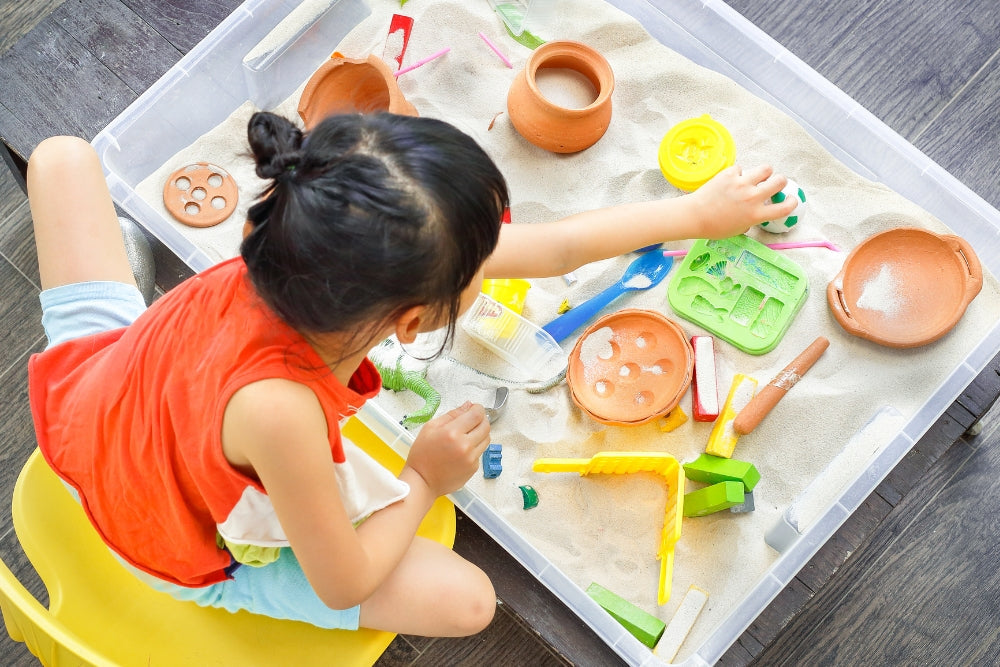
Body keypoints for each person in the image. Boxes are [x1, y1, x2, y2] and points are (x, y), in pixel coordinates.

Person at [26, 111, 796, 637]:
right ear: (411, 323)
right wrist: (425, 477)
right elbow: (343, 581)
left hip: (94, 388)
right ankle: (209, 584)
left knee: (63, 159)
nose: (492, 263)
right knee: (471, 602)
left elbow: (558, 248)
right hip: (160, 531)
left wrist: (695, 216)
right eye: (476, 268)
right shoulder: (280, 411)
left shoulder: (301, 238)